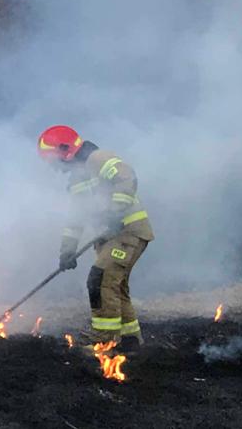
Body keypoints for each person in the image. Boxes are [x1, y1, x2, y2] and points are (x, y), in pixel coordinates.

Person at [38, 125, 154, 351]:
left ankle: (103, 340)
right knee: (114, 285)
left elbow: (126, 176)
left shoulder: (98, 159)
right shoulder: (77, 180)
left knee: (99, 279)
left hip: (128, 231)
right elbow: (75, 219)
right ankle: (130, 341)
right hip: (111, 237)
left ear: (65, 150)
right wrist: (67, 252)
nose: (53, 166)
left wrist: (115, 210)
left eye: (52, 159)